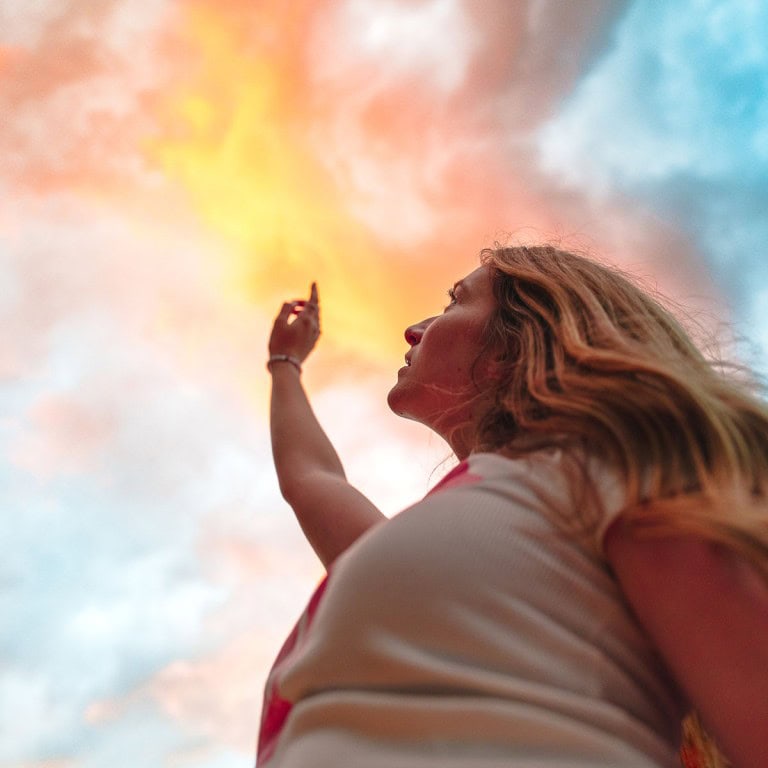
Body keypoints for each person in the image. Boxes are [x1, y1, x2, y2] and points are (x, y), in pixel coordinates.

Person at [258, 245, 768, 768]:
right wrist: (286, 364)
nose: (414, 329)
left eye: (456, 300)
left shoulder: (614, 472)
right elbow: (310, 477)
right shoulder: (458, 555)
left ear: (516, 344)